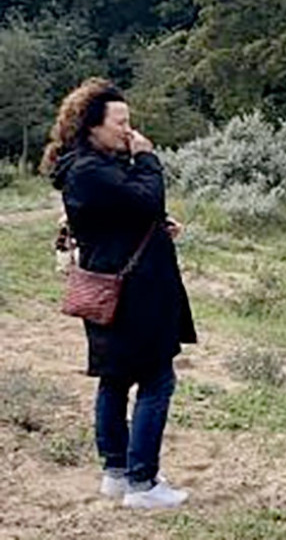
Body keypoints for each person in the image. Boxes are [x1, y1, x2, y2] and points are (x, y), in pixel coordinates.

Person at [41, 78, 195, 509]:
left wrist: (155, 225)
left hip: (116, 285)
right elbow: (146, 197)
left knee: (115, 378)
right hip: (131, 294)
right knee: (156, 379)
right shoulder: (90, 169)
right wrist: (147, 157)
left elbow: (123, 213)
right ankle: (142, 483)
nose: (129, 130)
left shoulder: (90, 164)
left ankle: (117, 472)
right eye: (121, 122)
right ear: (92, 126)